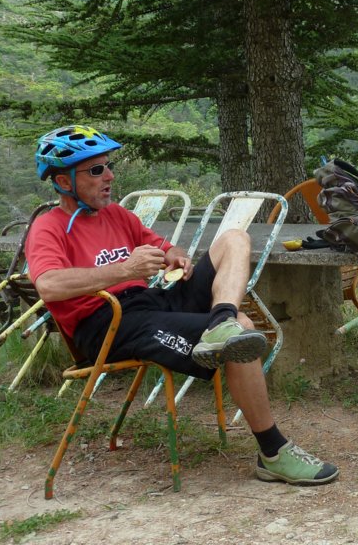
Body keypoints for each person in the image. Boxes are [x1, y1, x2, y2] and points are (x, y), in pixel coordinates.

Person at [25, 125, 339, 486]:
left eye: (108, 166)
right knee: (244, 331)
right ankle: (273, 452)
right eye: (96, 171)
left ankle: (221, 320)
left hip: (151, 303)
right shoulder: (49, 227)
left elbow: (164, 246)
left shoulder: (117, 216)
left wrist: (176, 256)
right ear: (63, 182)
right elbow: (48, 285)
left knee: (234, 239)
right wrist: (125, 270)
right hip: (108, 324)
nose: (109, 176)